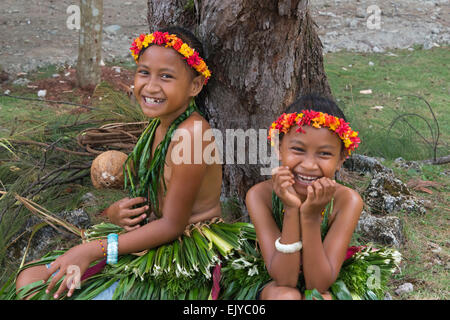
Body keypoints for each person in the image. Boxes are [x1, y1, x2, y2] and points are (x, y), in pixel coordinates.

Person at [13, 26, 224, 300]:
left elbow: (172, 225)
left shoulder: (192, 134)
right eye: (144, 72)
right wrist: (115, 213)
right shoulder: (160, 126)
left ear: (195, 85)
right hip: (153, 237)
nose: (151, 86)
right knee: (29, 278)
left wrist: (93, 249)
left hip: (184, 253)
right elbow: (149, 192)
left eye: (166, 76)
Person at [246, 94, 400, 300]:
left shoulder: (347, 201)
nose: (309, 165)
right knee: (284, 296)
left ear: (341, 159)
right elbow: (285, 280)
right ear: (278, 148)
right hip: (275, 280)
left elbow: (318, 285)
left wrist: (310, 217)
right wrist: (291, 210)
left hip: (325, 279)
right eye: (298, 149)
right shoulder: (259, 196)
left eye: (325, 154)